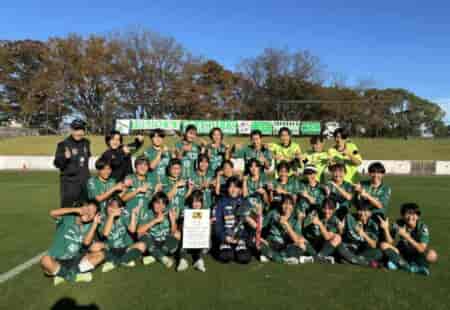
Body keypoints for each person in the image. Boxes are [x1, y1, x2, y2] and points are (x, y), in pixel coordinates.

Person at [39, 201, 104, 286]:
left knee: (101, 255)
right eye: (88, 209)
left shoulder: (90, 225)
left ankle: (62, 274)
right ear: (82, 208)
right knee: (45, 260)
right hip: (57, 260)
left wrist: (95, 224)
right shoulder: (68, 218)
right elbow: (52, 213)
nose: (89, 213)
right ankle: (72, 275)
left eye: (93, 212)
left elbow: (86, 242)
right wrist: (76, 209)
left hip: (75, 261)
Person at [379, 203, 438, 276]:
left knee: (432, 254)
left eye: (413, 214)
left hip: (415, 253)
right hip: (401, 252)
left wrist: (407, 237)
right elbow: (390, 242)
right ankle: (409, 267)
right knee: (383, 245)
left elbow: (422, 249)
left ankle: (398, 263)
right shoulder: (398, 224)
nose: (410, 217)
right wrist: (386, 229)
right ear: (403, 216)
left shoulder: (422, 227)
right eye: (407, 214)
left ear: (417, 216)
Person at [261, 195, 316, 264]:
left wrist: (286, 224)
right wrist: (260, 238)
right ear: (281, 204)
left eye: (290, 204)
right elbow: (260, 226)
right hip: (272, 243)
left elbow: (296, 239)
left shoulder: (295, 218)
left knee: (301, 244)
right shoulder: (273, 213)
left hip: (285, 246)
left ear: (293, 207)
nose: (287, 206)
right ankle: (283, 258)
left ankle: (275, 257)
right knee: (258, 243)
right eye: (285, 203)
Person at [214, 177, 255, 264]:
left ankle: (238, 248)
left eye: (236, 187)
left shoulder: (245, 202)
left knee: (244, 258)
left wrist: (243, 238)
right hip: (226, 237)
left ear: (240, 189)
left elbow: (251, 226)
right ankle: (226, 247)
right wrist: (224, 237)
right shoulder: (221, 202)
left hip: (240, 238)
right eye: (231, 187)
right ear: (227, 188)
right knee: (225, 256)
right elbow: (218, 223)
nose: (233, 189)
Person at [99, 198, 147, 273]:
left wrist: (133, 215)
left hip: (125, 249)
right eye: (110, 206)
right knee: (96, 246)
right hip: (109, 249)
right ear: (106, 207)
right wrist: (111, 216)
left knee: (142, 245)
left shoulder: (123, 216)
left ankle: (116, 262)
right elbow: (105, 234)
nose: (113, 209)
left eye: (116, 207)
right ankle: (125, 260)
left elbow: (132, 230)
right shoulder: (102, 218)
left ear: (120, 209)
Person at [137, 192, 180, 268]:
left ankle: (156, 256)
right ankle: (162, 257)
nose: (160, 206)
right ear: (153, 203)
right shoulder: (147, 213)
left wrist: (173, 221)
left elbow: (173, 232)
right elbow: (139, 231)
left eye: (163, 204)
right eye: (157, 203)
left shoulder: (168, 213)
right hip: (152, 244)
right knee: (142, 235)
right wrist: (155, 220)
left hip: (165, 244)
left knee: (177, 234)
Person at [53, 119, 91, 207]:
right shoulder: (63, 144)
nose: (78, 133)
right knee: (67, 209)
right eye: (76, 130)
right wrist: (64, 158)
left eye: (81, 130)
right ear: (71, 130)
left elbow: (85, 160)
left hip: (84, 182)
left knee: (85, 210)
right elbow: (56, 163)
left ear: (84, 130)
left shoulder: (87, 143)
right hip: (69, 183)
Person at [336, 202, 382, 267]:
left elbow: (373, 245)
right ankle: (363, 262)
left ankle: (352, 260)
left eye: (365, 210)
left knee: (378, 253)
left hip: (361, 252)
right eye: (360, 210)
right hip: (348, 247)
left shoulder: (373, 225)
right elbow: (341, 234)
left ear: (370, 213)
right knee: (339, 247)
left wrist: (363, 234)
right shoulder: (350, 218)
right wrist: (340, 229)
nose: (362, 213)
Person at [176, 190, 209, 272]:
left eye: (198, 201)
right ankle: (183, 260)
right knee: (183, 237)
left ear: (202, 202)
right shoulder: (186, 211)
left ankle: (199, 260)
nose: (196, 204)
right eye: (194, 202)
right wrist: (184, 221)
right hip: (188, 237)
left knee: (205, 241)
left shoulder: (205, 212)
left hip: (199, 237)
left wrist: (209, 222)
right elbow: (180, 226)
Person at [303, 199, 341, 264]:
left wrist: (320, 224)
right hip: (310, 243)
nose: (327, 211)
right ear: (321, 208)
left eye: (330, 209)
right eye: (325, 208)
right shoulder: (315, 213)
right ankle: (321, 258)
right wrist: (311, 219)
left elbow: (327, 237)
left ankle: (317, 257)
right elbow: (304, 225)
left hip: (323, 246)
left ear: (334, 210)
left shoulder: (335, 220)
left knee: (337, 238)